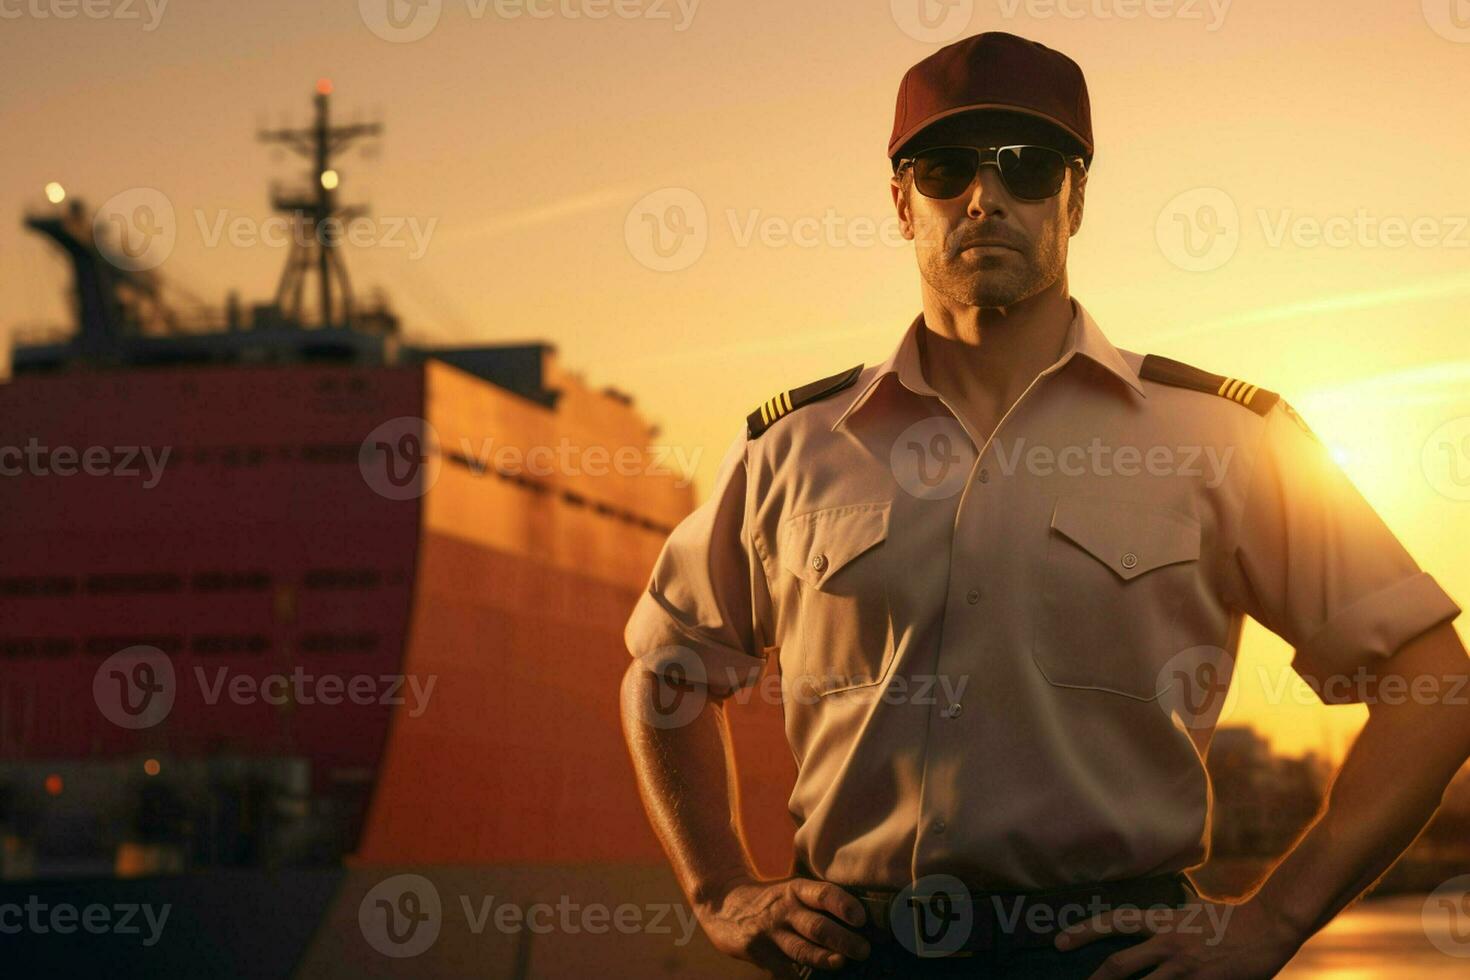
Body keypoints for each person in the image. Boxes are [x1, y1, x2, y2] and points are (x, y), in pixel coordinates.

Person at [620, 30, 1470, 979]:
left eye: (1027, 167)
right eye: (946, 168)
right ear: (904, 202)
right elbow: (665, 674)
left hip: (1118, 955)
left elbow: (1435, 684)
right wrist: (719, 888)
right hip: (854, 954)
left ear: (1076, 199)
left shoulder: (1225, 440)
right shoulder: (793, 448)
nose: (986, 197)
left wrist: (1276, 919)